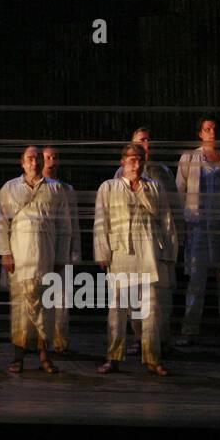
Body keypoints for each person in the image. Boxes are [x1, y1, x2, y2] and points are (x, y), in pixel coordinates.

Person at [94, 143, 178, 375]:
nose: (137, 164)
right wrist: (102, 252)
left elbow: (167, 221)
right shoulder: (109, 187)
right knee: (118, 309)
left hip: (150, 252)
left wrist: (169, 254)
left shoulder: (154, 186)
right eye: (132, 160)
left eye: (140, 160)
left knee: (151, 309)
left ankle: (152, 357)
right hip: (121, 253)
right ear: (122, 162)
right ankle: (113, 357)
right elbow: (102, 222)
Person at [0, 146, 70, 374]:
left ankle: (44, 356)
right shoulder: (10, 188)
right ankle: (18, 356)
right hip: (19, 256)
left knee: (46, 307)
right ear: (22, 162)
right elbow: (2, 224)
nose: (34, 163)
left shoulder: (56, 189)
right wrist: (6, 253)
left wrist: (60, 257)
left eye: (38, 158)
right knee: (20, 308)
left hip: (46, 256)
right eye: (30, 158)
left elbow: (65, 227)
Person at [175, 116, 220, 346]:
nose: (212, 132)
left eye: (215, 128)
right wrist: (188, 221)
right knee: (196, 283)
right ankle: (189, 331)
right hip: (199, 230)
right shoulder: (190, 158)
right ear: (200, 133)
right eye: (207, 129)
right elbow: (180, 192)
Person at [114, 127, 178, 351]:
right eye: (141, 140)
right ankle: (139, 338)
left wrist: (172, 246)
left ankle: (160, 342)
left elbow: (170, 212)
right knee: (132, 296)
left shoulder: (162, 174)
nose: (145, 143)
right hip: (129, 245)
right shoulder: (117, 177)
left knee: (159, 296)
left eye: (148, 140)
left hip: (154, 245)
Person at [42, 145, 80, 353]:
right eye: (48, 157)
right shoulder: (37, 187)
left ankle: (59, 339)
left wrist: (75, 252)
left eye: (55, 157)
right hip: (41, 247)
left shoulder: (67, 190)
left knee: (61, 298)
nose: (51, 160)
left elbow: (72, 221)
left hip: (62, 248)